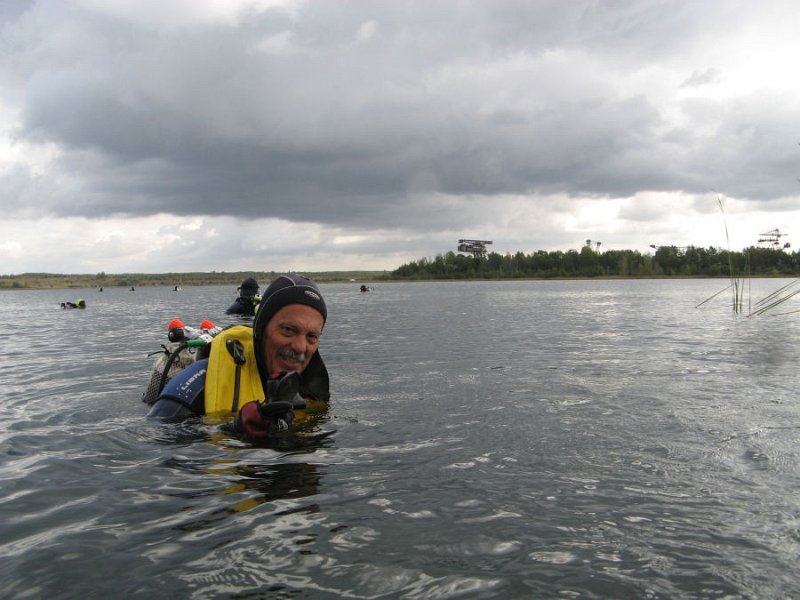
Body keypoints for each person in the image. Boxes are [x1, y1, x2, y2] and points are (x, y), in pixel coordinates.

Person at [147, 273, 330, 440]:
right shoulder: (199, 382)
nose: (300, 347)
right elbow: (155, 438)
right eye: (288, 330)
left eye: (312, 336)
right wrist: (232, 431)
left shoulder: (314, 390)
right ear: (261, 329)